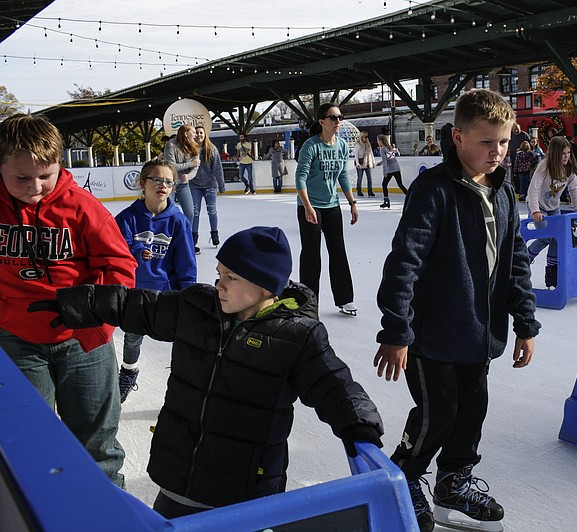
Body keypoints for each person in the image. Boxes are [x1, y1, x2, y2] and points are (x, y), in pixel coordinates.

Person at [28, 226, 384, 518]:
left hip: (245, 489)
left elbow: (334, 384)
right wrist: (82, 304)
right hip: (180, 473)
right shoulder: (197, 307)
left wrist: (358, 426)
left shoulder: (297, 336)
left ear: (264, 287)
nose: (219, 284)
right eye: (218, 274)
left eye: (230, 277)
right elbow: (139, 306)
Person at [373, 89, 540, 532]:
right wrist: (396, 331)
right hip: (431, 334)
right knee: (437, 413)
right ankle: (404, 478)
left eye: (504, 142)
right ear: (457, 137)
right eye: (487, 142)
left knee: (472, 410)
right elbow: (404, 260)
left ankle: (453, 483)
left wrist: (525, 322)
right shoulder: (434, 189)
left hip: (479, 334)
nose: (498, 152)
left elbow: (515, 259)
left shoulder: (503, 192)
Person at [0, 114, 137, 487]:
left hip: (83, 340)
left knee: (97, 445)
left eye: (45, 175)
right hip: (17, 340)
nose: (36, 187)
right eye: (22, 178)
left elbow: (120, 266)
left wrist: (91, 308)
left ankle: (109, 514)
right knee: (28, 441)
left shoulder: (82, 206)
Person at [113, 160, 197, 403]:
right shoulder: (127, 218)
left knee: (180, 337)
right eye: (157, 180)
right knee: (132, 337)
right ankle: (129, 371)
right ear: (143, 184)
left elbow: (186, 261)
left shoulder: (178, 221)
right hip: (135, 292)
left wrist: (188, 292)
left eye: (168, 182)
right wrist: (137, 250)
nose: (163, 185)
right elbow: (117, 248)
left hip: (166, 294)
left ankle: (184, 380)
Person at [295, 103, 359, 315]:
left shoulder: (341, 146)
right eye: (333, 117)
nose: (338, 121)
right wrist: (307, 207)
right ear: (322, 121)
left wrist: (352, 203)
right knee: (311, 255)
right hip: (310, 206)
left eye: (340, 117)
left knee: (338, 251)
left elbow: (342, 176)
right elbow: (300, 178)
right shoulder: (311, 146)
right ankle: (308, 301)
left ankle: (345, 299)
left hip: (332, 205)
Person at [526, 136, 577, 288]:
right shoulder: (544, 166)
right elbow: (533, 188)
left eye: (568, 153)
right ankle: (525, 258)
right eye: (563, 153)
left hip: (553, 206)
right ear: (554, 153)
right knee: (546, 237)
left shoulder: (569, 167)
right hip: (538, 205)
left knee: (557, 239)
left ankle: (552, 274)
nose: (566, 157)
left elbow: (574, 188)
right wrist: (535, 211)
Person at [163, 124, 199, 251]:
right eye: (193, 132)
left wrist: (189, 176)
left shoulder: (194, 147)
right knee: (167, 212)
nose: (195, 135)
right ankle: (167, 239)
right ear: (185, 134)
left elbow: (196, 167)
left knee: (190, 212)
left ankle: (185, 239)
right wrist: (189, 164)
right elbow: (170, 165)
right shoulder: (171, 145)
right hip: (170, 184)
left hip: (184, 184)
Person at [191, 125, 225, 249]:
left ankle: (214, 234)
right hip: (194, 184)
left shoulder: (211, 149)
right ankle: (193, 236)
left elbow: (218, 168)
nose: (199, 135)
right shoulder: (190, 149)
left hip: (210, 184)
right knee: (195, 211)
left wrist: (221, 185)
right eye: (197, 133)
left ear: (205, 135)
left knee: (212, 210)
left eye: (201, 133)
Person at [377, 133, 407, 209]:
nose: (377, 142)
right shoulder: (389, 147)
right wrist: (380, 163)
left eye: (377, 140)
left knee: (384, 184)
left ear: (380, 141)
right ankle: (410, 196)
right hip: (396, 168)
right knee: (400, 184)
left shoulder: (382, 149)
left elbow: (385, 161)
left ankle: (386, 201)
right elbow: (389, 159)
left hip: (390, 169)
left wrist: (385, 172)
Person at [354, 132, 376, 197]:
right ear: (361, 137)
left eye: (367, 137)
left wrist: (373, 162)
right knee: (360, 178)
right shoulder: (358, 145)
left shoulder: (368, 144)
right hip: (360, 164)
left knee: (370, 178)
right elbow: (356, 155)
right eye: (365, 137)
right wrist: (358, 164)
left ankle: (370, 191)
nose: (367, 138)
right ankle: (359, 190)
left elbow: (371, 153)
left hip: (368, 163)